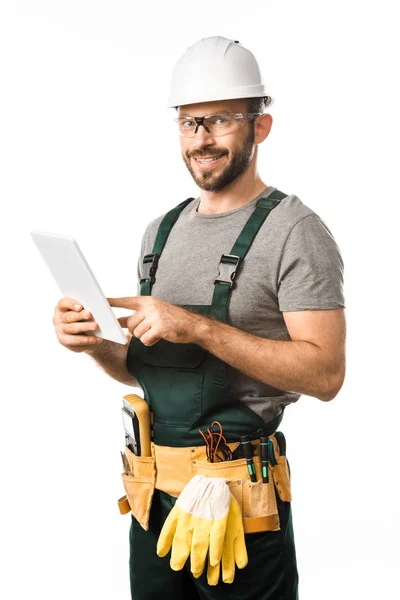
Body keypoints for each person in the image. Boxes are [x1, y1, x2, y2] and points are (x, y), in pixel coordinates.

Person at [53, 36, 346, 600]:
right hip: (155, 495)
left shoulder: (295, 232)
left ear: (260, 127)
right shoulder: (161, 231)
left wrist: (199, 327)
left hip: (239, 502)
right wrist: (93, 344)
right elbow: (150, 369)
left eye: (219, 122)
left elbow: (326, 375)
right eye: (189, 124)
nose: (201, 140)